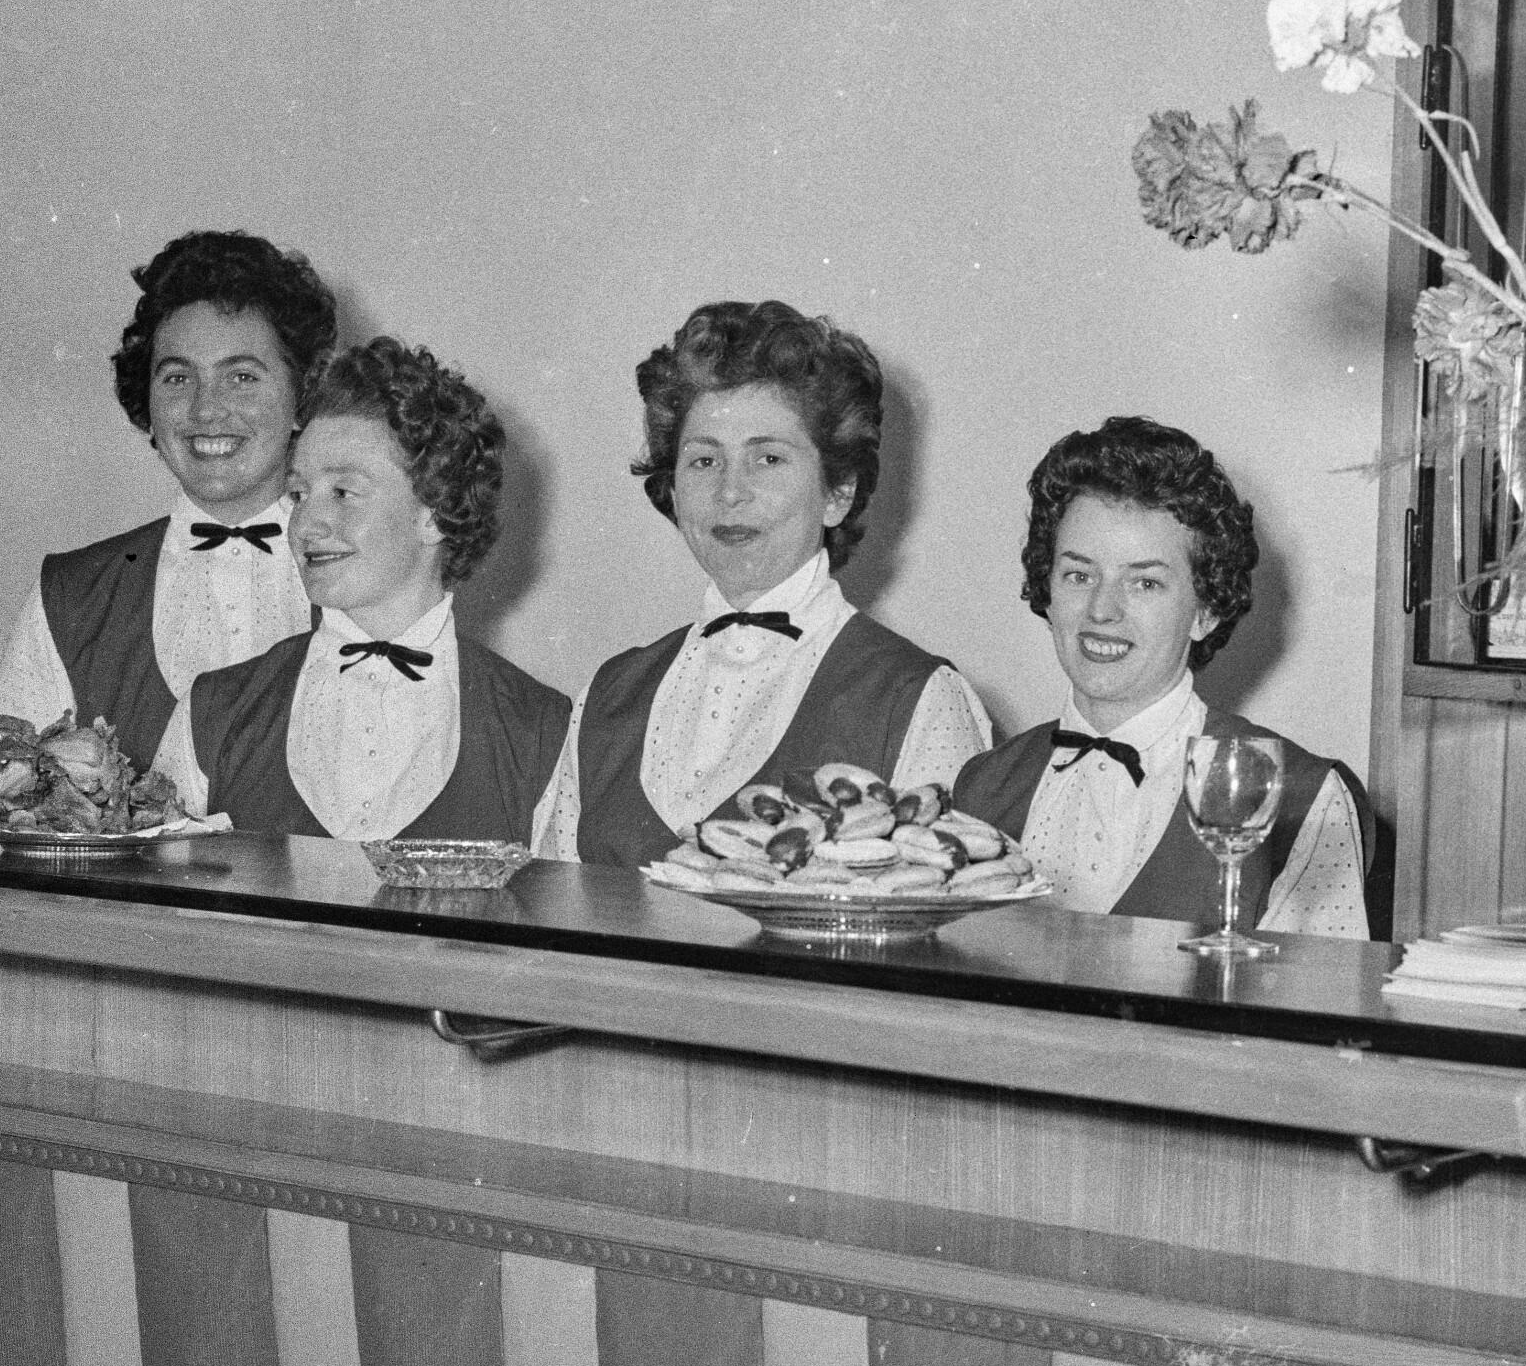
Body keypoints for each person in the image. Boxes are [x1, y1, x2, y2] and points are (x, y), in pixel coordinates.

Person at [535, 300, 989, 864]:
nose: (730, 492)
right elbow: (553, 902)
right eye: (704, 461)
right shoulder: (608, 697)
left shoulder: (917, 698)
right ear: (672, 488)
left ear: (838, 492)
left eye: (768, 459)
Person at [953, 417, 1372, 936]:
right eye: (1079, 575)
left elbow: (1323, 989)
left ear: (1206, 612)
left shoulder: (1302, 799)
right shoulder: (981, 786)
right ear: (1048, 590)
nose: (1102, 610)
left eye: (1145, 583)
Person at [162, 339, 569, 840]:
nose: (306, 523)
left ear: (435, 514)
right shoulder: (213, 712)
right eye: (298, 494)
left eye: (343, 492)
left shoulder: (541, 731)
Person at [0, 230, 340, 773]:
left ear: (301, 397)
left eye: (242, 377)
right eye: (177, 377)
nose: (206, 409)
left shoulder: (368, 574)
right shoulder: (73, 595)